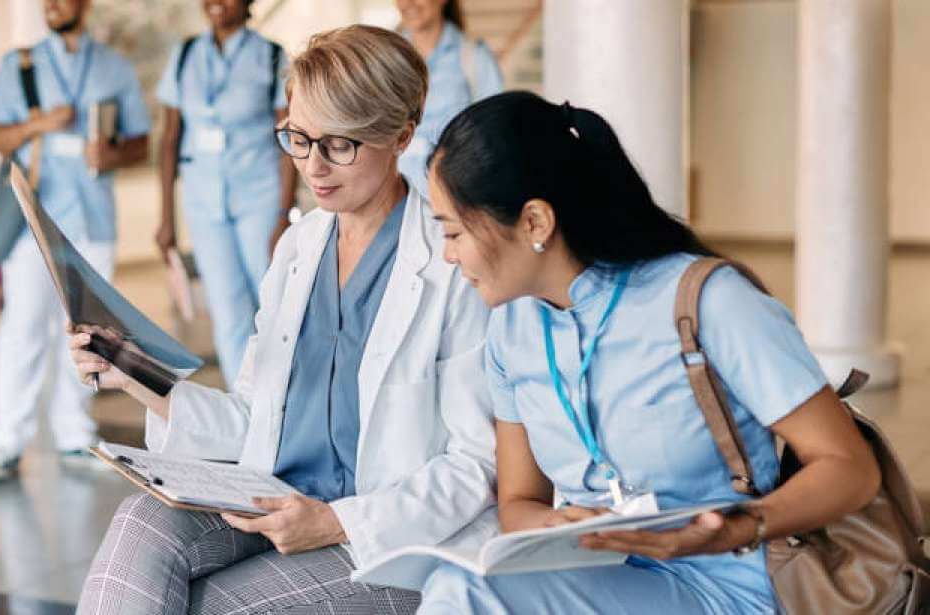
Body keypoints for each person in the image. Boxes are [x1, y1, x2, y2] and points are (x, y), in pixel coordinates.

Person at [69, 25, 497, 615]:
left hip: (386, 539)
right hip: (272, 497)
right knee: (141, 520)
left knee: (210, 608)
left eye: (338, 145)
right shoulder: (300, 246)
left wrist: (334, 521)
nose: (312, 167)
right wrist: (136, 374)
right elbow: (253, 417)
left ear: (401, 134)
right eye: (298, 138)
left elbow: (477, 466)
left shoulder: (451, 263)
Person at [415, 91, 882, 614]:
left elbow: (850, 469)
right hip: (597, 574)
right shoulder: (511, 330)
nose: (448, 255)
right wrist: (554, 526)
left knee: (466, 596)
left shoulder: (708, 302)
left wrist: (736, 528)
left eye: (454, 232)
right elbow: (519, 502)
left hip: (725, 585)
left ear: (535, 223)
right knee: (455, 582)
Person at [0, 0, 151, 481]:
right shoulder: (20, 65)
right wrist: (41, 124)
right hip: (33, 219)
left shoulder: (114, 67)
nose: (52, 5)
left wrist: (111, 153)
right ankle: (7, 441)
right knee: (24, 327)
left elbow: (140, 141)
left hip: (93, 219)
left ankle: (75, 434)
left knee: (88, 331)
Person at [155, 0, 297, 385]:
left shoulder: (270, 56)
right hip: (203, 202)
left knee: (273, 302)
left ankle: (282, 397)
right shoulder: (185, 55)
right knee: (228, 310)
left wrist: (285, 214)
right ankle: (244, 407)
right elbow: (170, 139)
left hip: (260, 197)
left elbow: (289, 139)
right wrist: (166, 216)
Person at [395, 0, 502, 201]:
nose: (407, 3)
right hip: (394, 201)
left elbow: (494, 134)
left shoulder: (474, 56)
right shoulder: (386, 58)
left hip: (455, 201)